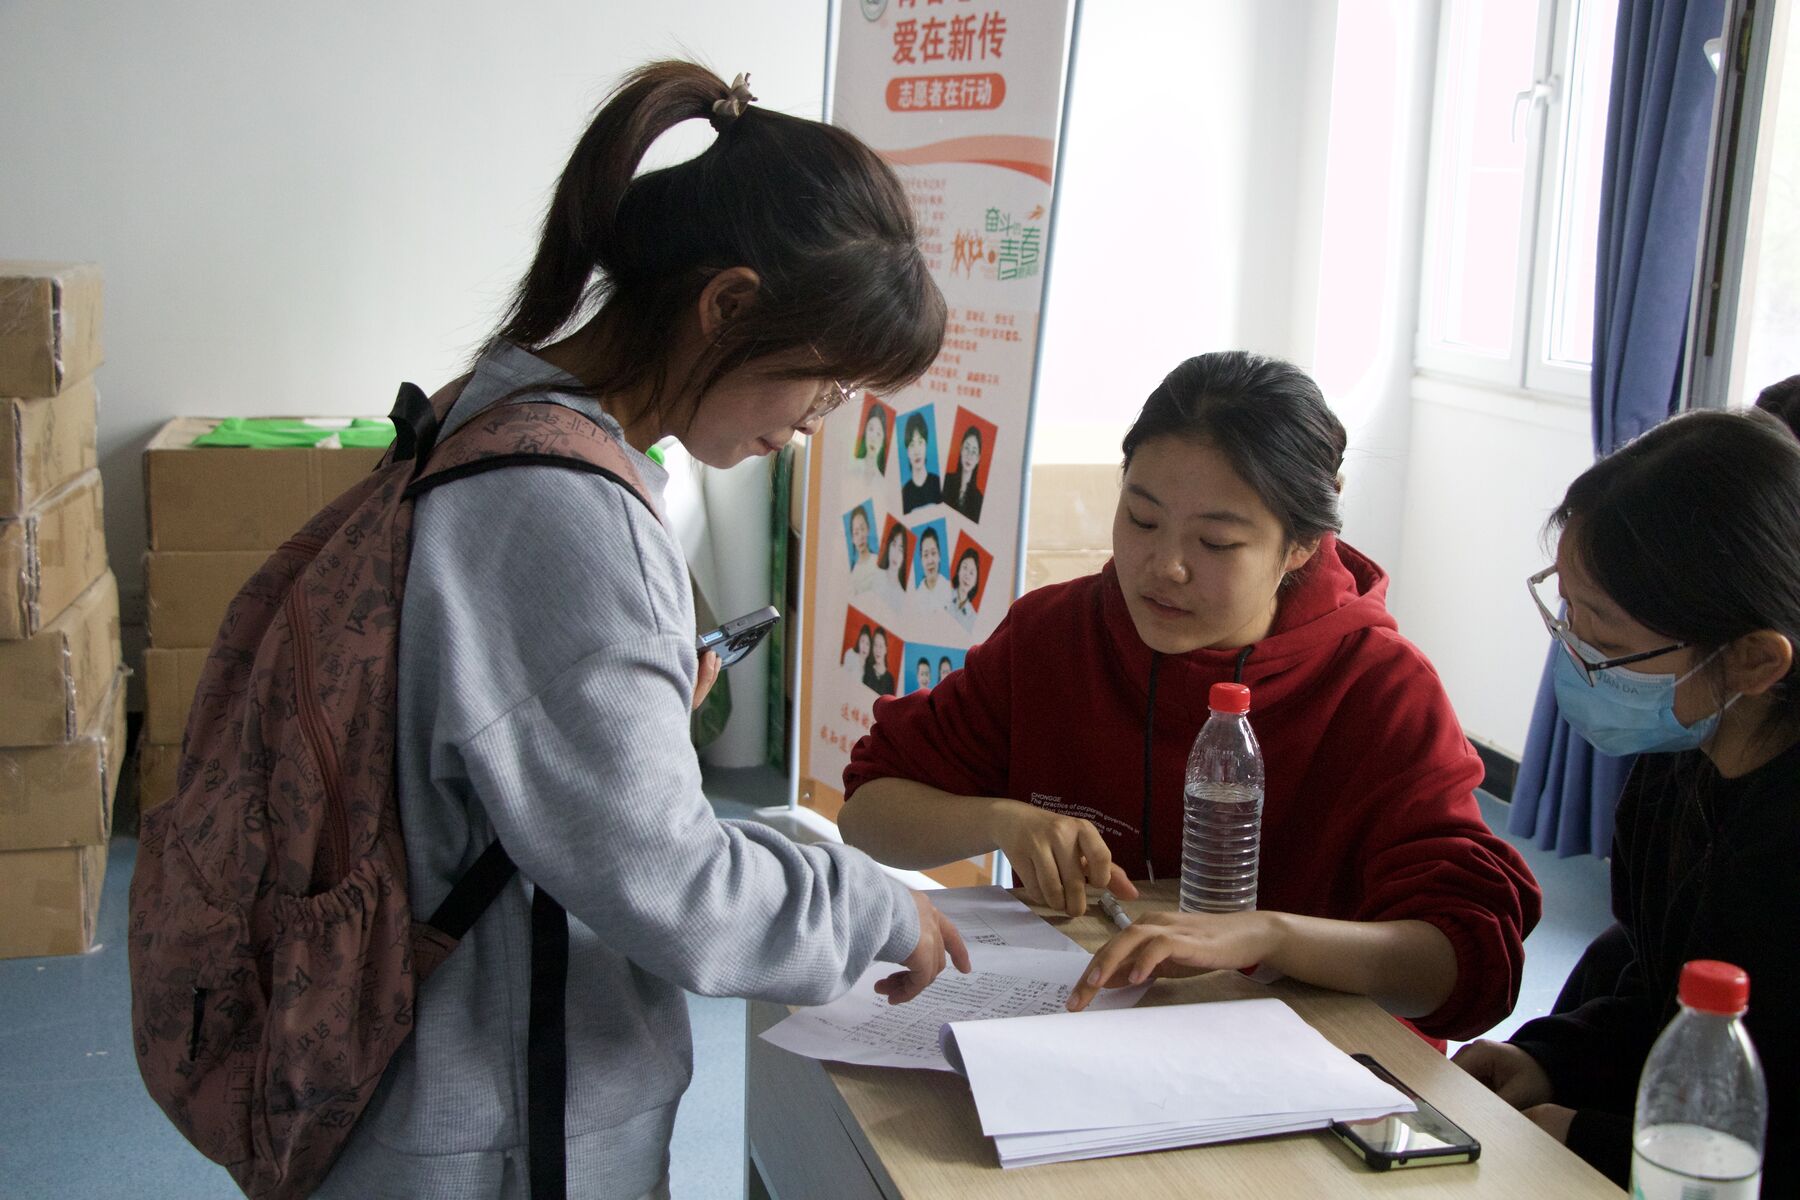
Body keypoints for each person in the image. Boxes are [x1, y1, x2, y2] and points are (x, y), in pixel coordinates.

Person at [318, 62, 970, 1200]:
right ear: (728, 308)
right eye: (822, 386)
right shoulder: (567, 510)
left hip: (424, 1067)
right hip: (498, 1117)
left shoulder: (496, 411)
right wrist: (870, 903)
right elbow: (673, 885)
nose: (812, 427)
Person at [839, 351, 1540, 1045]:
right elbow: (869, 809)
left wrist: (1270, 937)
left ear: (1302, 543)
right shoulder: (1056, 635)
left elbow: (1467, 964)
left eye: (1216, 541)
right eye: (1141, 520)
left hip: (1306, 1059)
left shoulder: (1379, 686)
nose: (1165, 568)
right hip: (1088, 1031)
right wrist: (998, 820)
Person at [1454, 393, 1800, 1195]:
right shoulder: (1680, 762)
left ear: (1754, 660)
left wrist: (1588, 1138)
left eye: (1603, 639)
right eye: (1567, 614)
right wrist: (1550, 1060)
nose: (1573, 655)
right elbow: (1659, 989)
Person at [943, 424, 985, 521]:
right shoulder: (946, 480)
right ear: (961, 449)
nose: (969, 455)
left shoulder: (979, 500)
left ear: (978, 459)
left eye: (974, 452)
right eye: (967, 448)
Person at [900, 412, 941, 512]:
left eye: (920, 442)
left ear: (926, 445)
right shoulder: (904, 494)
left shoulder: (938, 484)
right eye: (912, 444)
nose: (917, 451)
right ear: (907, 451)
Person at [912, 526, 947, 610]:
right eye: (926, 555)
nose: (930, 561)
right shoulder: (916, 598)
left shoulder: (949, 589)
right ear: (921, 560)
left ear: (939, 556)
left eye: (933, 553)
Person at [946, 546, 981, 626]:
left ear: (975, 582)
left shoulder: (973, 618)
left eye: (971, 573)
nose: (967, 576)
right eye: (965, 568)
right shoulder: (943, 594)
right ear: (958, 570)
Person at [847, 505, 878, 593]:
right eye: (856, 533)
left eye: (862, 529)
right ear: (852, 539)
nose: (861, 536)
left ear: (868, 529)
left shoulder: (878, 561)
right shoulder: (853, 574)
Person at [876, 521, 910, 600]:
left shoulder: (902, 595)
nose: (896, 554)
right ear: (888, 546)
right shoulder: (876, 574)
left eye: (900, 549)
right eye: (894, 545)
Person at [855, 403, 889, 478]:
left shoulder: (881, 479)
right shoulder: (854, 468)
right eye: (871, 429)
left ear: (883, 442)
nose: (873, 438)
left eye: (878, 434)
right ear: (865, 431)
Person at [864, 627, 897, 695]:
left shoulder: (890, 680)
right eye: (875, 645)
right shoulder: (867, 670)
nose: (877, 650)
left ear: (886, 649)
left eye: (881, 646)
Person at [842, 623, 874, 689]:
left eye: (867, 644)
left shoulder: (870, 669)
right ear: (858, 641)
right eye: (862, 641)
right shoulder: (851, 654)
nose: (864, 647)